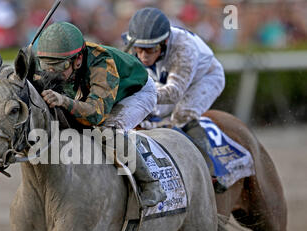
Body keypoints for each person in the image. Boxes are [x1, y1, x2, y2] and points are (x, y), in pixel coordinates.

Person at [36, 21, 166, 207]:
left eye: (60, 66)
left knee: (106, 130)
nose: (52, 72)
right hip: (93, 92)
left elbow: (96, 114)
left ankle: (151, 185)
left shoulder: (101, 63)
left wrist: (64, 101)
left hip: (134, 93)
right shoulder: (51, 61)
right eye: (46, 65)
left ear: (78, 59)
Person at [123, 7, 226, 191]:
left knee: (182, 115)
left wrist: (136, 92)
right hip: (167, 78)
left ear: (164, 42)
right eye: (140, 49)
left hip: (205, 78)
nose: (144, 56)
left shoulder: (183, 49)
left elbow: (173, 93)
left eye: (151, 49)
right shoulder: (134, 43)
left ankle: (210, 170)